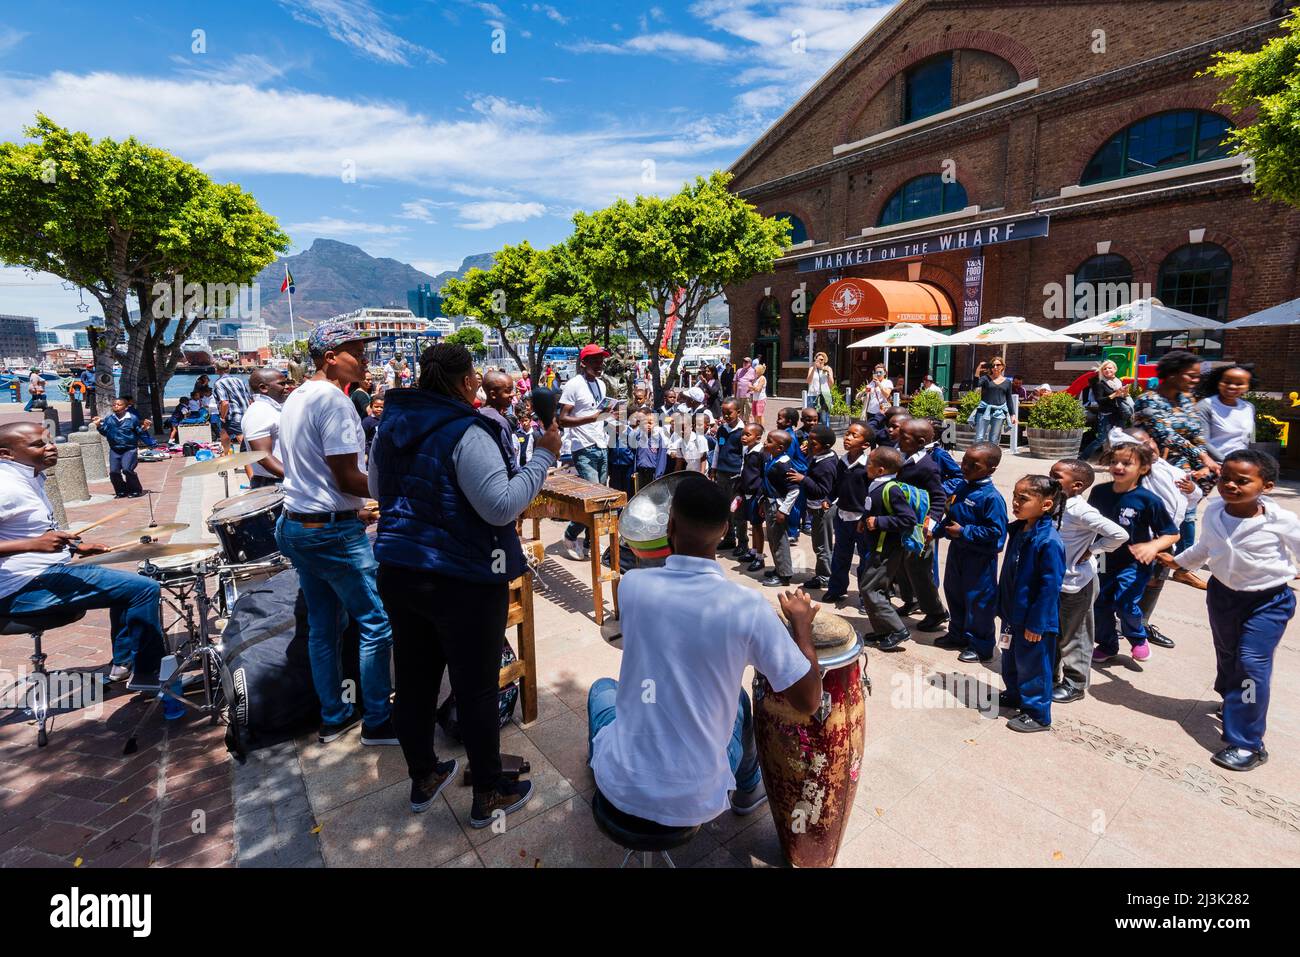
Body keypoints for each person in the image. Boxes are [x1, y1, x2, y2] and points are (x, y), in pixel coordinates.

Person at [370, 343, 559, 820]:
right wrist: (542, 458)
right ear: (465, 381)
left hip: (400, 570)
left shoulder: (391, 425)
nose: (477, 381)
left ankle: (424, 776)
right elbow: (500, 504)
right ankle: (488, 794)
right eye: (473, 374)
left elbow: (377, 489)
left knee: (414, 682)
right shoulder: (467, 430)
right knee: (475, 687)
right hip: (463, 580)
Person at [587, 477, 822, 826]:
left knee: (601, 690)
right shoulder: (748, 607)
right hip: (697, 797)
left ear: (669, 525)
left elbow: (660, 582)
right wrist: (802, 628)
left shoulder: (633, 587)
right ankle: (749, 787)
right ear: (726, 529)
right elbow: (809, 701)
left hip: (621, 786)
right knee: (738, 700)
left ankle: (608, 775)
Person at [274, 319, 396, 747]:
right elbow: (347, 477)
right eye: (356, 351)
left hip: (298, 524)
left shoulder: (296, 397)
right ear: (330, 358)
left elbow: (310, 471)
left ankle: (334, 714)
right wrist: (395, 487)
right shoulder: (335, 402)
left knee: (325, 625)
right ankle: (379, 720)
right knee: (376, 623)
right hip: (329, 533)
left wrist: (354, 506)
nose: (365, 358)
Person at [1159, 450, 1299, 771]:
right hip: (1222, 595)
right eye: (1225, 478)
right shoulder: (1215, 511)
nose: (1231, 486)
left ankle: (1247, 742)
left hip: (1267, 602)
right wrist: (1179, 563)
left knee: (1251, 663)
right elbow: (1206, 547)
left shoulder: (1281, 521)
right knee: (1227, 653)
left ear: (1267, 486)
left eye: (1242, 481)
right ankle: (1231, 700)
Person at [0, 423, 163, 688]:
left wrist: (75, 547)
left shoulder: (31, 476)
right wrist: (32, 545)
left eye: (49, 440)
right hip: (23, 587)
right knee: (144, 589)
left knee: (126, 586)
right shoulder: (5, 486)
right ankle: (150, 674)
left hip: (46, 572)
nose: (51, 447)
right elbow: (32, 539)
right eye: (38, 444)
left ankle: (123, 665)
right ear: (6, 454)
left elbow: (33, 528)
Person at [1088, 442, 1181, 664]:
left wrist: (1152, 546)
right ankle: (1107, 644)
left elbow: (1172, 534)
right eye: (1114, 462)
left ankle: (1138, 638)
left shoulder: (1148, 500)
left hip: (1134, 563)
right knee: (1099, 604)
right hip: (1102, 559)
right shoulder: (1099, 492)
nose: (1118, 466)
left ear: (1143, 468)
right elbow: (1089, 524)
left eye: (1126, 463)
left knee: (1126, 603)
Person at [1048, 459, 1128, 703]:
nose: (1050, 479)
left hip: (1077, 584)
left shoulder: (1080, 510)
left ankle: (1075, 683)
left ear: (1077, 486)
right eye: (1050, 473)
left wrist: (1094, 549)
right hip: (1055, 580)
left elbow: (1119, 534)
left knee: (1076, 635)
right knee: (1053, 632)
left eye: (1057, 476)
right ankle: (1050, 676)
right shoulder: (1056, 503)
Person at [996, 476, 1067, 733]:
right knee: (1011, 658)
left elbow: (1049, 588)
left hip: (1034, 620)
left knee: (1034, 666)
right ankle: (1015, 694)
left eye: (1023, 499)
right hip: (1012, 614)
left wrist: (1037, 623)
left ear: (1046, 504)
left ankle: (1038, 714)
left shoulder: (1048, 541)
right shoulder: (1021, 530)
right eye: (1015, 496)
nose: (1015, 502)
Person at [936, 442, 1007, 662]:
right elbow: (952, 515)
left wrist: (964, 531)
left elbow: (996, 532)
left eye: (973, 464)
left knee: (979, 601)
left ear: (991, 468)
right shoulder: (963, 486)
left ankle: (981, 645)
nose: (965, 466)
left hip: (979, 558)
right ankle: (957, 634)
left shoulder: (991, 498)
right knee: (954, 592)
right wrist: (939, 530)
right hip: (958, 552)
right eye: (964, 461)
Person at [1132, 350, 1220, 497]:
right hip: (1156, 469)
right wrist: (1203, 457)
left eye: (1197, 377)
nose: (1196, 380)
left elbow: (1197, 434)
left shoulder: (1186, 400)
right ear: (1172, 374)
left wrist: (1204, 465)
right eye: (1191, 376)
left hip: (1187, 471)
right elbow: (1166, 436)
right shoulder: (1148, 400)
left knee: (1187, 512)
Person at [559, 345, 612, 561]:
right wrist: (591, 418)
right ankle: (571, 535)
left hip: (601, 446)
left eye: (601, 360)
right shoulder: (573, 385)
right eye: (594, 361)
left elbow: (598, 414)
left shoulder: (601, 384)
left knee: (601, 501)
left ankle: (592, 543)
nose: (600, 364)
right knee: (591, 500)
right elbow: (562, 419)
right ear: (584, 363)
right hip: (583, 448)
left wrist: (608, 416)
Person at [896, 420, 948, 632]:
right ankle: (911, 600)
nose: (898, 440)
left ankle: (935, 612)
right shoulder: (904, 459)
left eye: (903, 437)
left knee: (919, 570)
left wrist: (930, 523)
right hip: (903, 523)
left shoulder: (927, 466)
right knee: (902, 567)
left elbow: (938, 496)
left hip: (919, 527)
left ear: (919, 442)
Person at [822, 421, 870, 604]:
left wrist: (865, 517)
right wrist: (828, 499)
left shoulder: (868, 466)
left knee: (864, 560)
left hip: (860, 520)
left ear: (865, 444)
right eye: (847, 434)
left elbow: (871, 495)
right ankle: (837, 589)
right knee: (840, 555)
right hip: (842, 516)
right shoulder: (842, 462)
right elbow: (836, 485)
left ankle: (865, 596)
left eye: (854, 435)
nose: (847, 438)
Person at [786, 424, 838, 590]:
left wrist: (802, 479)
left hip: (823, 509)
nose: (808, 446)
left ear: (826, 446)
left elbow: (823, 490)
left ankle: (825, 577)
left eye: (813, 444)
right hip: (814, 507)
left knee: (822, 545)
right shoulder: (819, 456)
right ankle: (823, 573)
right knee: (819, 543)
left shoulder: (827, 465)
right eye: (808, 441)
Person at [759, 430, 800, 587]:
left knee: (780, 541)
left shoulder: (784, 465)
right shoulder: (772, 459)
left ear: (780, 447)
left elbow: (794, 490)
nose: (765, 443)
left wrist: (783, 510)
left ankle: (784, 575)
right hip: (770, 503)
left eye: (769, 441)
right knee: (774, 540)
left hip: (778, 506)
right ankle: (779, 569)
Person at [92, 398, 152, 499]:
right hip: (115, 449)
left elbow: (138, 432)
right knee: (113, 472)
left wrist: (144, 427)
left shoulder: (132, 418)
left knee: (127, 469)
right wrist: (98, 425)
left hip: (129, 449)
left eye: (119, 405)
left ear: (125, 407)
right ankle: (121, 491)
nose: (116, 406)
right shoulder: (109, 419)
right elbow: (105, 432)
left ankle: (135, 490)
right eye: (114, 404)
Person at [1195, 363, 1256, 460]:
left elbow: (1252, 438)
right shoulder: (1205, 406)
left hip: (1242, 463)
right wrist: (1227, 462)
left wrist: (1253, 458)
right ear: (1219, 383)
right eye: (1227, 382)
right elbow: (1202, 441)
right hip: (1214, 464)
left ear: (1247, 387)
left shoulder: (1249, 407)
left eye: (1239, 384)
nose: (1232, 386)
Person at [243, 368, 288, 488]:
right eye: (282, 384)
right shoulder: (259, 412)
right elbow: (263, 457)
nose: (287, 387)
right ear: (263, 388)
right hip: (274, 483)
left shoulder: (270, 408)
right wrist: (296, 478)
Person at [713, 399, 746, 551]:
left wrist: (742, 475)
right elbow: (718, 450)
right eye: (724, 413)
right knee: (725, 508)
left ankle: (742, 542)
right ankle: (729, 538)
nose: (726, 416)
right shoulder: (722, 430)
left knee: (737, 510)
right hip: (721, 473)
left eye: (729, 413)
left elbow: (745, 456)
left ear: (738, 412)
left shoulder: (744, 432)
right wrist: (714, 468)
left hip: (735, 475)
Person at [1081, 359, 1130, 460]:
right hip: (1106, 414)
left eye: (1109, 368)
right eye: (1104, 368)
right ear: (1102, 371)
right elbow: (1100, 400)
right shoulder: (1099, 383)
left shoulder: (1119, 382)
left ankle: (1115, 460)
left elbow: (1122, 398)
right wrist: (1114, 394)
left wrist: (1125, 393)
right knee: (1101, 440)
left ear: (1115, 369)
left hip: (1118, 413)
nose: (1107, 370)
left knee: (1120, 438)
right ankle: (1082, 458)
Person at [738, 423, 767, 571]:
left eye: (747, 435)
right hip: (748, 492)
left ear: (758, 437)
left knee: (757, 526)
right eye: (743, 434)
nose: (743, 437)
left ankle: (760, 557)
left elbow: (764, 475)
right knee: (752, 523)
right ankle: (753, 551)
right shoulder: (747, 450)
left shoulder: (761, 453)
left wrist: (761, 496)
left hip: (757, 494)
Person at [970, 357, 1016, 444]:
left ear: (1002, 367)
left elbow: (1009, 399)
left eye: (998, 365)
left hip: (999, 412)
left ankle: (992, 457)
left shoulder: (1007, 382)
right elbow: (976, 385)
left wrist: (1012, 414)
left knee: (994, 439)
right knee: (979, 437)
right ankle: (978, 457)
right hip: (984, 411)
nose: (995, 367)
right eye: (993, 365)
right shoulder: (985, 378)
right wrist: (978, 370)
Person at [213, 360, 252, 455]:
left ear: (217, 370)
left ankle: (251, 459)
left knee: (243, 441)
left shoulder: (219, 383)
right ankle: (226, 455)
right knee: (223, 433)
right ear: (229, 369)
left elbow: (225, 403)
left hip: (233, 416)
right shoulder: (239, 380)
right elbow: (249, 398)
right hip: (246, 413)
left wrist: (222, 417)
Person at [631, 412, 668, 491]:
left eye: (650, 423)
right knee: (640, 492)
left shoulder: (658, 439)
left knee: (651, 494)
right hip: (641, 471)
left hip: (652, 473)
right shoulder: (639, 437)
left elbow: (661, 459)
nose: (647, 425)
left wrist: (658, 475)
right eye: (645, 423)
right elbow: (636, 455)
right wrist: (634, 470)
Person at [861, 365, 893, 430]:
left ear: (885, 373)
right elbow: (867, 393)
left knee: (880, 430)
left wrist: (879, 384)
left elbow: (886, 394)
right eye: (876, 372)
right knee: (871, 430)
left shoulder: (888, 382)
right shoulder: (872, 382)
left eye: (880, 372)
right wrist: (864, 391)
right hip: (870, 411)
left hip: (881, 411)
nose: (878, 374)